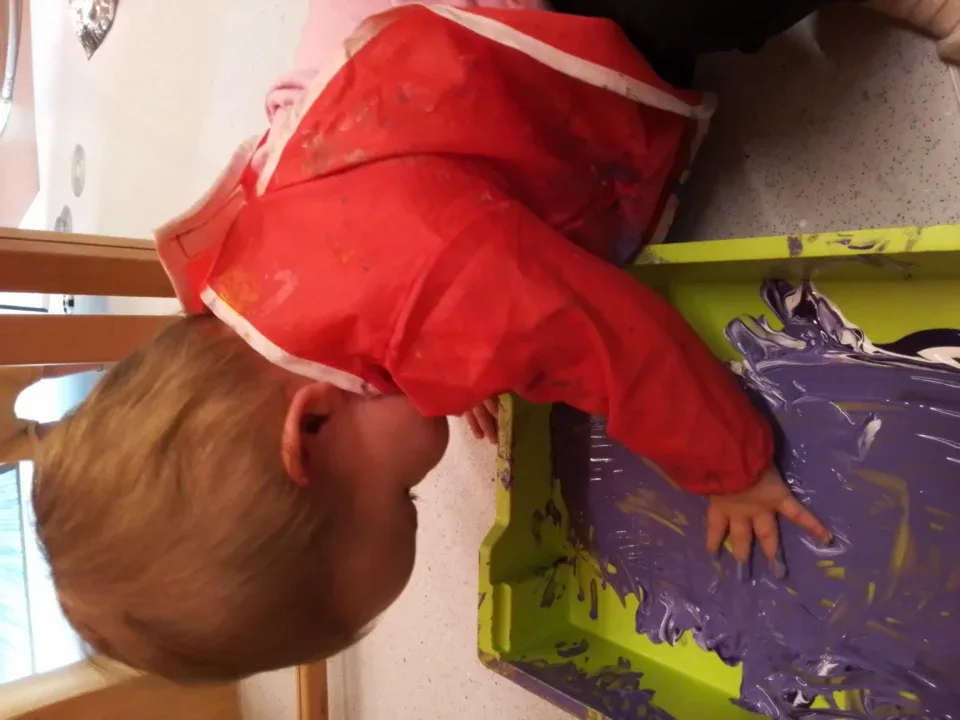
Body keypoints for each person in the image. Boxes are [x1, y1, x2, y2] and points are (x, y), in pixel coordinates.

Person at [32, 0, 833, 683]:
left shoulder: (429, 289)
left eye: (402, 497)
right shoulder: (248, 296)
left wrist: (730, 470)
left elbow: (619, 343)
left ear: (314, 423)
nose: (421, 484)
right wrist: (432, 366)